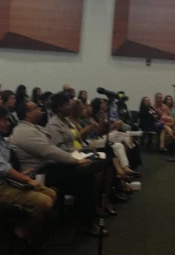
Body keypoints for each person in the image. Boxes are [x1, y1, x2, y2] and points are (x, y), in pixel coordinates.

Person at [10, 100, 108, 236]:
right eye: (35, 108)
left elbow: (51, 146)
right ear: (27, 114)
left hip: (49, 167)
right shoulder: (23, 131)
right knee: (84, 177)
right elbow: (49, 150)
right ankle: (87, 222)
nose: (40, 110)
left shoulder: (35, 127)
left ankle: (87, 216)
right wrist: (75, 161)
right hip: (38, 172)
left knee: (86, 174)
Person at [0, 106, 56, 249]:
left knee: (51, 194)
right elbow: (2, 169)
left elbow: (4, 168)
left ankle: (24, 226)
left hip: (5, 184)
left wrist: (21, 177)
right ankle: (21, 230)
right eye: (4, 120)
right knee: (44, 202)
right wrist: (26, 180)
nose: (8, 123)